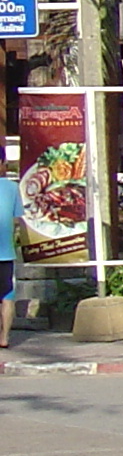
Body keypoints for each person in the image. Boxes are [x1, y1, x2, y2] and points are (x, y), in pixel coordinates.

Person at [0, 138, 19, 348]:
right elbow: (16, 220)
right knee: (7, 295)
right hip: (6, 253)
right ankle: (4, 338)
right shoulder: (12, 188)